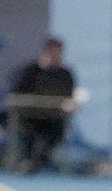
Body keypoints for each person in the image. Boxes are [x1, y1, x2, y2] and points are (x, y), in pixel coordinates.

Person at [9, 36, 76, 173]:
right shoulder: (30, 71)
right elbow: (18, 93)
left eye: (59, 52)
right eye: (54, 52)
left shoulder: (65, 74)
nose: (57, 56)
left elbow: (70, 96)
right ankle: (26, 161)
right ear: (46, 51)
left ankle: (40, 159)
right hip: (30, 116)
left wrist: (71, 104)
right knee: (26, 132)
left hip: (53, 117)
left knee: (55, 133)